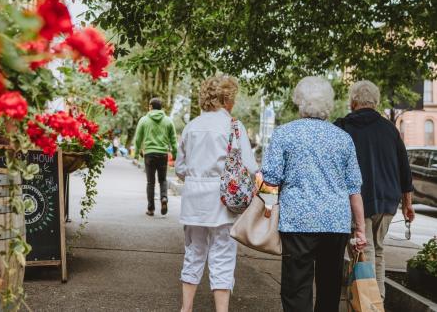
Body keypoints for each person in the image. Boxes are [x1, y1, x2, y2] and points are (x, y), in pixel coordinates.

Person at [261, 76, 367, 312]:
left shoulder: (284, 134)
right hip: (335, 223)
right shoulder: (343, 138)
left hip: (298, 222)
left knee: (296, 287)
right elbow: (354, 189)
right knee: (330, 287)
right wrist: (360, 229)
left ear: (299, 101)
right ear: (328, 104)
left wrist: (266, 207)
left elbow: (270, 179)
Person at [175, 76, 258, 312]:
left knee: (193, 252)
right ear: (227, 99)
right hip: (223, 201)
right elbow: (250, 167)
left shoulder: (191, 126)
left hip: (193, 201)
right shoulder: (233, 126)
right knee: (222, 255)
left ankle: (186, 308)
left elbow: (181, 168)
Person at [334, 80, 415, 298]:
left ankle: (368, 303)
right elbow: (404, 169)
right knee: (377, 251)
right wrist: (408, 204)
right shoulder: (389, 128)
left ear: (353, 101)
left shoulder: (342, 126)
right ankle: (377, 301)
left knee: (363, 253)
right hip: (388, 201)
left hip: (358, 200)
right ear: (375, 102)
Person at [134, 97, 178, 216]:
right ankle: (164, 198)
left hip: (149, 154)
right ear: (161, 107)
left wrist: (137, 152)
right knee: (163, 180)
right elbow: (174, 140)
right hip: (163, 154)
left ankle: (151, 209)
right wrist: (175, 154)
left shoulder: (144, 120)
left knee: (150, 182)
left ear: (151, 106)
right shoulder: (168, 121)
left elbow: (138, 139)